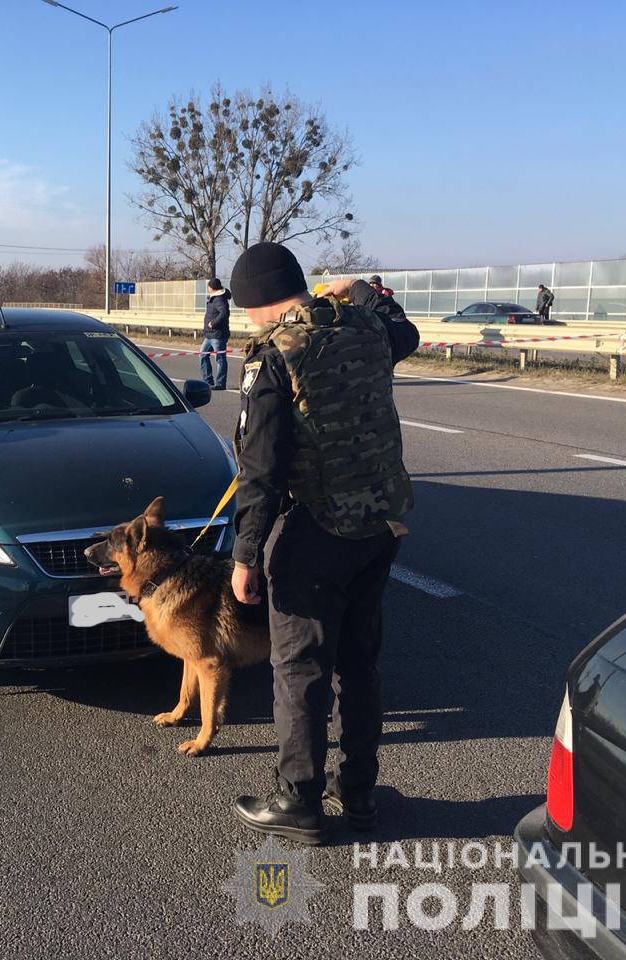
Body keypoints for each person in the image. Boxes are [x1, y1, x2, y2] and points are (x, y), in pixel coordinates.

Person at [227, 242, 416, 845]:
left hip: (314, 530)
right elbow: (404, 329)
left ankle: (299, 799)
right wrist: (357, 288)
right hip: (379, 527)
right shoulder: (367, 327)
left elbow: (261, 467)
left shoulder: (273, 355)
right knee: (360, 665)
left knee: (300, 667)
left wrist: (246, 553)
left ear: (253, 300)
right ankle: (358, 790)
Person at [200, 278, 232, 390]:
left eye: (208, 286)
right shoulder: (214, 298)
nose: (208, 288)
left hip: (217, 334)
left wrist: (213, 323)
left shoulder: (219, 299)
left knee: (220, 358)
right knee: (203, 355)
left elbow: (224, 313)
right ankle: (207, 381)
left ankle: (220, 383)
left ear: (212, 288)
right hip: (209, 335)